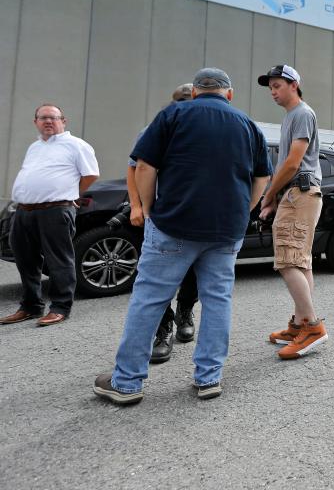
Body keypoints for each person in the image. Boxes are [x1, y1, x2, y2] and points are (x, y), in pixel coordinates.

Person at [94, 68, 271, 405]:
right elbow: (261, 177)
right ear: (229, 94)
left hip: (173, 224)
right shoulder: (248, 125)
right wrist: (243, 211)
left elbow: (144, 167)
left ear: (194, 93)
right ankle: (209, 378)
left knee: (150, 299)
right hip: (225, 231)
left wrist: (147, 208)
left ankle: (127, 382)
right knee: (218, 299)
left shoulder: (173, 114)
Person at [0, 105, 99, 326]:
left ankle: (60, 307)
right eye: (43, 118)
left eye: (53, 118)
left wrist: (71, 194)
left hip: (55, 209)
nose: (48, 121)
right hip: (24, 211)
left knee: (59, 260)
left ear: (64, 121)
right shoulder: (35, 147)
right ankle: (31, 306)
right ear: (35, 121)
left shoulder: (76, 145)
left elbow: (91, 174)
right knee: (26, 260)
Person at [125, 83, 199, 364]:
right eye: (179, 102)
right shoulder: (156, 128)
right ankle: (163, 328)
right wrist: (137, 205)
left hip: (193, 216)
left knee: (193, 273)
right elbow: (134, 167)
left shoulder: (201, 129)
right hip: (160, 216)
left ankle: (185, 311)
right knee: (157, 278)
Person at [258, 64, 327, 360]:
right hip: (296, 192)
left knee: (287, 261)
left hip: (300, 191)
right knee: (301, 262)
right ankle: (299, 323)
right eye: (271, 87)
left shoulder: (301, 113)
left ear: (294, 84)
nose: (273, 92)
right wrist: (275, 197)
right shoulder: (291, 117)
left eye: (278, 85)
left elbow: (292, 163)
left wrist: (269, 194)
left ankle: (312, 327)